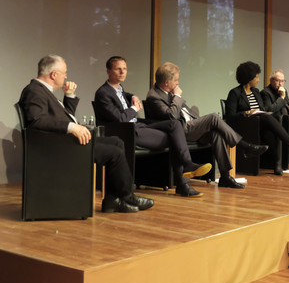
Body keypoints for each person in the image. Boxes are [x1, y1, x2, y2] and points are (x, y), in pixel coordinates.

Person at [18, 55, 154, 213]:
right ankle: (128, 196)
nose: (66, 76)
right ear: (54, 74)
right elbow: (37, 121)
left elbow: (62, 117)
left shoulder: (42, 91)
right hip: (58, 147)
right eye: (64, 72)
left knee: (117, 142)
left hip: (62, 141)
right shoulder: (35, 91)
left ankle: (111, 200)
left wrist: (69, 97)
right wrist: (71, 127)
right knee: (114, 152)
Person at [93, 56, 212, 197]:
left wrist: (134, 96)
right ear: (108, 71)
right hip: (128, 131)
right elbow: (119, 119)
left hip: (138, 126)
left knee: (174, 125)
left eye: (124, 68)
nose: (122, 72)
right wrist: (134, 109)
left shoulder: (119, 89)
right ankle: (183, 181)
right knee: (175, 138)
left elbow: (124, 94)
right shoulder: (102, 93)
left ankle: (186, 167)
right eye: (118, 69)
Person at [146, 62, 269, 189]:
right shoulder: (154, 96)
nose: (178, 83)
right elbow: (172, 117)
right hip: (177, 132)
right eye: (176, 80)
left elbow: (186, 112)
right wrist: (177, 96)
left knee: (216, 133)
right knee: (214, 117)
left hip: (190, 127)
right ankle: (244, 146)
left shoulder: (170, 91)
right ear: (166, 82)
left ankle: (225, 176)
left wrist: (200, 121)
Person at [225, 61, 289, 176]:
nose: (258, 80)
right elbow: (229, 117)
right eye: (256, 77)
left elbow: (262, 108)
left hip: (259, 124)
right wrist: (245, 113)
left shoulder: (255, 92)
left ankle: (277, 166)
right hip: (245, 126)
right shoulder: (235, 93)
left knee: (271, 132)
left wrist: (265, 112)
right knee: (268, 120)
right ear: (249, 78)